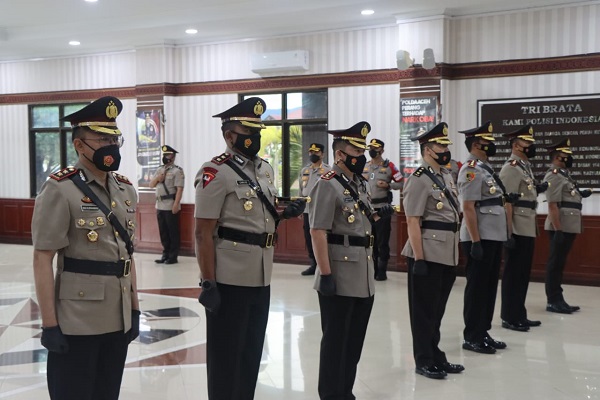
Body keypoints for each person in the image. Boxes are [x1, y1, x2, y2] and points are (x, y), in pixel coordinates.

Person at [194, 97, 306, 400]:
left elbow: (259, 218)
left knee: (250, 352)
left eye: (257, 130)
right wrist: (208, 281)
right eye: (248, 131)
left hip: (261, 275)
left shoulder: (264, 170)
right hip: (229, 278)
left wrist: (286, 213)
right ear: (229, 135)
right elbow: (203, 233)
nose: (254, 137)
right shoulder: (215, 172)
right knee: (225, 355)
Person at [31, 96, 140, 400]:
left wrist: (135, 309)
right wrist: (50, 325)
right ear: (79, 145)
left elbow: (127, 255)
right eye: (102, 138)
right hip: (77, 320)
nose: (111, 145)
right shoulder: (60, 188)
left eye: (114, 138)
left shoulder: (126, 189)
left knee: (107, 393)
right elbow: (42, 259)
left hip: (117, 316)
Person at [309, 121, 393, 399]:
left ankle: (345, 391)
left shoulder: (359, 183)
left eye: (362, 149)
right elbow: (318, 230)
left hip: (362, 272)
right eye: (355, 150)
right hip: (339, 272)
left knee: (354, 341)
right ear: (340, 155)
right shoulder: (327, 184)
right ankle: (331, 394)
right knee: (335, 341)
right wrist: (326, 274)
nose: (361, 155)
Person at [401, 122, 464, 379]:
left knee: (437, 310)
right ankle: (423, 359)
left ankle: (434, 352)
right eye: (441, 145)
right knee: (424, 311)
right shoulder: (419, 179)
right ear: (428, 150)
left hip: (447, 251)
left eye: (446, 145)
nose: (445, 149)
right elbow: (413, 220)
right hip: (426, 252)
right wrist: (418, 258)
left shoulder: (446, 175)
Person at [457, 121, 512, 354]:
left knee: (489, 287)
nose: (492, 146)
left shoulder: (485, 168)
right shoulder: (470, 169)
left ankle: (483, 331)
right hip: (479, 238)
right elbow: (468, 207)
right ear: (478, 144)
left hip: (493, 235)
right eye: (488, 143)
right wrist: (475, 241)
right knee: (477, 287)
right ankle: (472, 335)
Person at [499, 125, 545, 332]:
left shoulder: (524, 167)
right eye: (528, 143)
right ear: (516, 145)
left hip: (527, 225)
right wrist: (508, 232)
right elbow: (507, 203)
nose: (531, 146)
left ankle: (519, 313)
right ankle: (509, 316)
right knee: (513, 274)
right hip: (516, 227)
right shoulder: (510, 168)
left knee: (523, 274)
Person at [543, 138, 591, 314]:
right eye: (566, 155)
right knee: (555, 263)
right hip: (560, 226)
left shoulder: (564, 174)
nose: (569, 158)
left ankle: (558, 298)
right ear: (557, 157)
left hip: (569, 225)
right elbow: (552, 205)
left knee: (560, 263)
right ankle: (553, 300)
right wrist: (558, 229)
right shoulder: (553, 175)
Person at [362, 138, 403, 280]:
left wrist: (388, 186)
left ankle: (382, 270)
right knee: (369, 240)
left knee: (382, 241)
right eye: (370, 149)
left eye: (375, 149)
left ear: (382, 150)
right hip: (367, 209)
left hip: (382, 209)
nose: (372, 151)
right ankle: (371, 269)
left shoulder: (389, 166)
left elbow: (402, 183)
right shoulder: (365, 166)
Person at [149, 145, 185, 264]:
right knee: (163, 231)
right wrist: (159, 178)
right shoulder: (159, 170)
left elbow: (179, 189)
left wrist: (176, 204)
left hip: (170, 205)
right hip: (159, 205)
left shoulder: (177, 171)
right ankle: (165, 254)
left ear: (173, 157)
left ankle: (173, 256)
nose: (165, 157)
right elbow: (151, 185)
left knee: (172, 231)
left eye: (168, 155)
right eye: (164, 155)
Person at [299, 142, 331, 276]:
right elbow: (301, 190)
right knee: (308, 236)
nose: (313, 154)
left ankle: (324, 264)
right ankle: (313, 263)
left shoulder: (328, 171)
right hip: (307, 209)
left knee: (322, 236)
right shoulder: (305, 170)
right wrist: (300, 207)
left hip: (321, 208)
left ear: (322, 154)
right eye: (311, 152)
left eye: (316, 152)